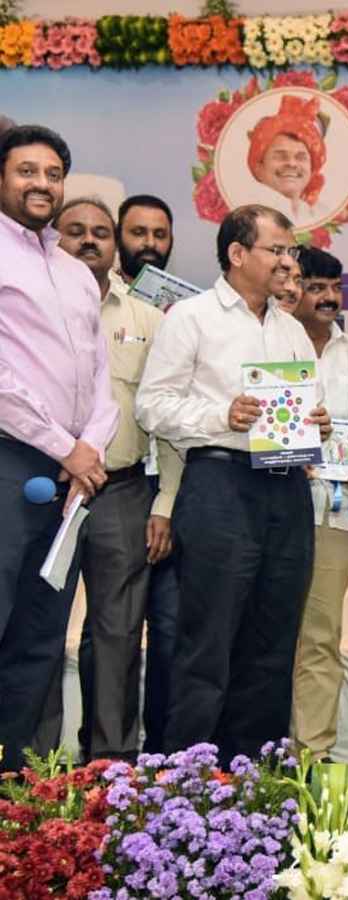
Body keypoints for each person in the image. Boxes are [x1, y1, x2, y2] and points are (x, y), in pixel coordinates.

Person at [135, 204, 330, 763]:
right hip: (220, 483)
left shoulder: (291, 327)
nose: (288, 262)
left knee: (273, 641)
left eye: (292, 251)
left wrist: (318, 421)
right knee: (209, 640)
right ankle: (187, 781)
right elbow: (153, 405)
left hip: (287, 486)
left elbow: (303, 404)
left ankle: (254, 778)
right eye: (277, 250)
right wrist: (223, 414)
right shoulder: (191, 318)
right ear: (237, 253)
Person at [0, 125, 118, 770]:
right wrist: (64, 446)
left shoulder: (75, 272)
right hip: (10, 462)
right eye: (26, 171)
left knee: (41, 639)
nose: (41, 184)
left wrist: (88, 450)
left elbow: (101, 376)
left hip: (72, 481)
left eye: (52, 173)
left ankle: (13, 792)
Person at [53, 197, 183, 762]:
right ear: (53, 239)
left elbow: (170, 419)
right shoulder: (24, 308)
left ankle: (108, 766)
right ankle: (28, 769)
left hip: (124, 490)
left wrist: (167, 503)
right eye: (75, 231)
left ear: (115, 247)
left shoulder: (149, 319)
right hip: (41, 491)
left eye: (100, 233)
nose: (89, 241)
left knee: (117, 635)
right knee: (35, 631)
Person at [289, 245, 348, 760]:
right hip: (268, 505)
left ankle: (311, 755)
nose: (329, 298)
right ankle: (251, 749)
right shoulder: (270, 340)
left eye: (335, 288)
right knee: (266, 632)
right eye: (316, 286)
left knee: (321, 636)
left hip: (335, 513)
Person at [244, 94, 332, 225]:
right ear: (259, 169)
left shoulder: (319, 213)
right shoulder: (247, 215)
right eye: (280, 156)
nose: (291, 163)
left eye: (301, 157)